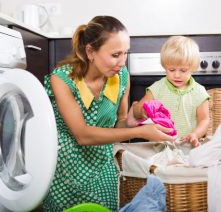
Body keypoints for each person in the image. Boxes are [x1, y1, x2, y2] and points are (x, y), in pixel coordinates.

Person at [42, 16, 176, 211]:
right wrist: (140, 133)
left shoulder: (121, 77)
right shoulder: (62, 79)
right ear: (90, 51)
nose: (122, 62)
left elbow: (119, 123)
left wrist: (134, 121)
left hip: (102, 168)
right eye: (115, 55)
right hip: (65, 172)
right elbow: (82, 134)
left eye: (125, 54)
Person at [132, 35, 210, 149]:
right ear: (164, 67)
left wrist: (195, 134)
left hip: (187, 147)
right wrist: (141, 110)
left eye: (183, 70)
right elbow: (137, 110)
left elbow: (204, 120)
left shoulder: (199, 92)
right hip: (159, 147)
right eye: (171, 70)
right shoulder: (158, 88)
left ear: (193, 68)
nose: (177, 75)